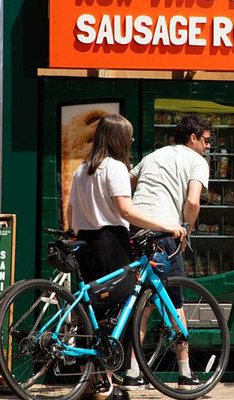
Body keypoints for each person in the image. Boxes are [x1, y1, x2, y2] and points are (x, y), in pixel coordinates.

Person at [66, 113, 185, 400]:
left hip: (85, 243)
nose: (130, 141)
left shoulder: (82, 170)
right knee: (117, 312)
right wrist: (166, 225)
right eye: (128, 136)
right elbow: (126, 211)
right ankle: (105, 384)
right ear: (119, 139)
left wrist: (75, 233)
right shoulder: (116, 168)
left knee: (92, 312)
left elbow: (70, 211)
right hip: (110, 242)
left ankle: (93, 382)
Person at [123, 113, 212, 391]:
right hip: (164, 232)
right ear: (193, 138)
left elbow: (128, 180)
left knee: (141, 302)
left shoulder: (154, 156)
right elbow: (193, 201)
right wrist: (187, 228)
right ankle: (185, 373)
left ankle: (132, 371)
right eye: (206, 140)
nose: (208, 146)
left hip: (135, 230)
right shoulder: (197, 161)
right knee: (175, 302)